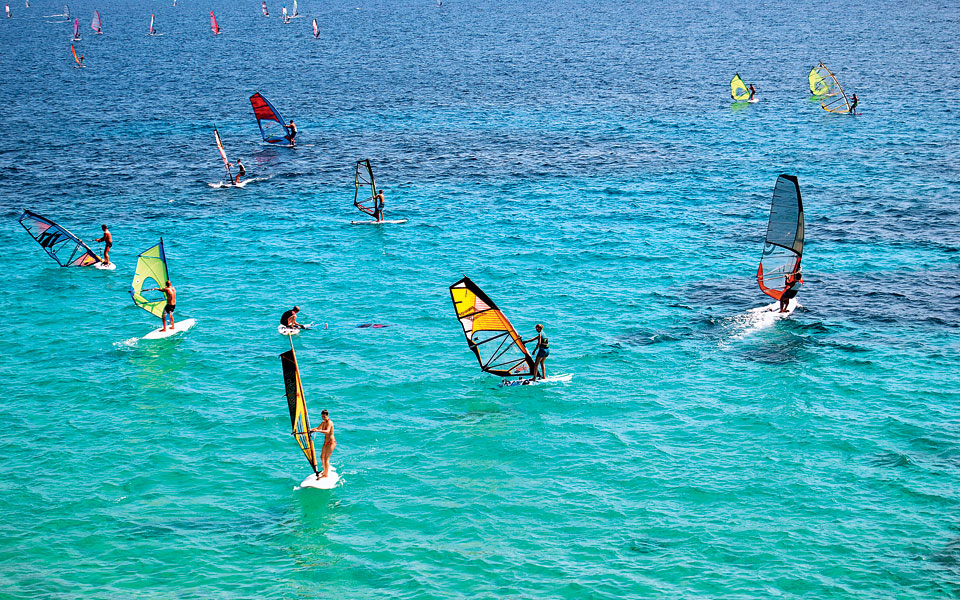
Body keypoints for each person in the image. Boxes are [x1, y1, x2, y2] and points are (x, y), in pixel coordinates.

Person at [309, 409, 336, 478]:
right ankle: (325, 471)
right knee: (322, 457)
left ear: (327, 416)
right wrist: (311, 430)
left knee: (326, 458)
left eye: (324, 416)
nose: (323, 418)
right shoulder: (323, 422)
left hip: (331, 442)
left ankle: (326, 475)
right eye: (322, 417)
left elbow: (327, 431)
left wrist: (318, 431)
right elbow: (318, 428)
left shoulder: (330, 423)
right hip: (326, 442)